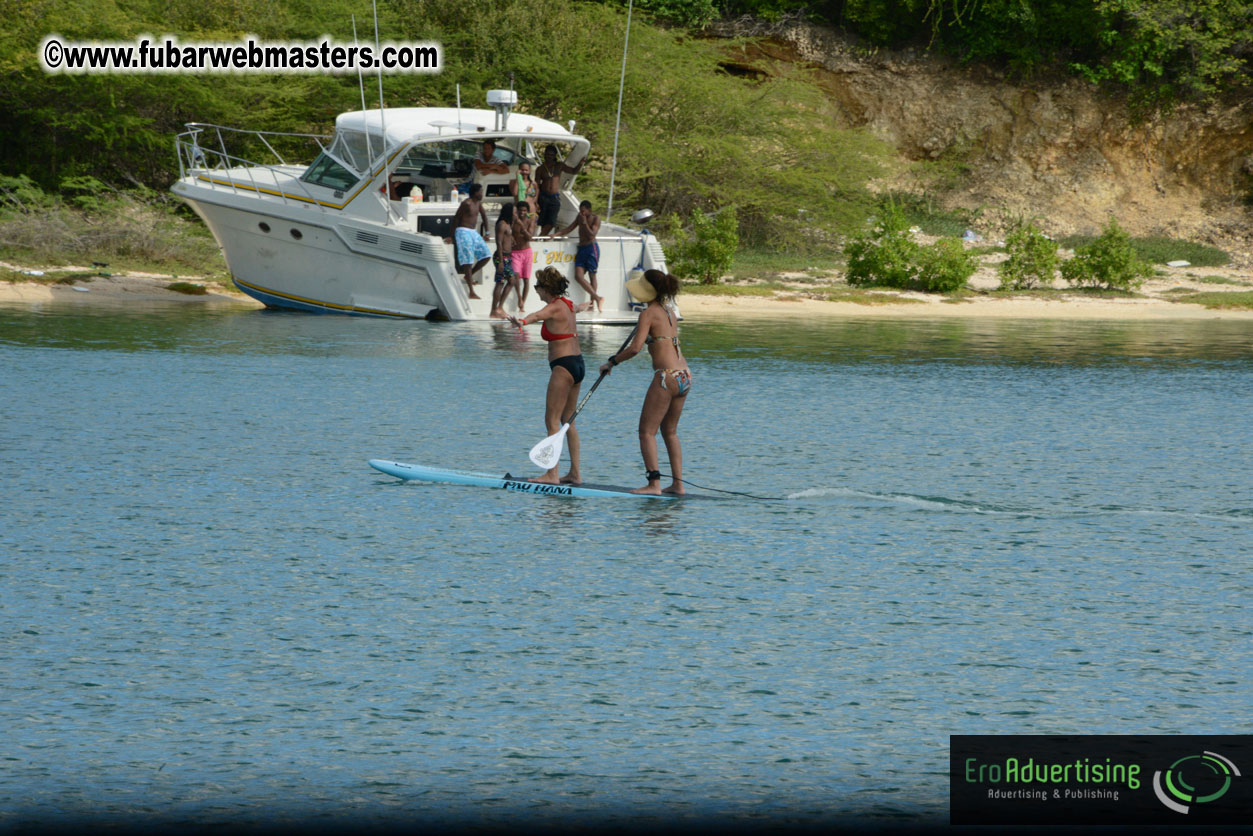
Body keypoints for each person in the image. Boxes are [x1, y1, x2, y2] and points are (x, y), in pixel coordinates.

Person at [599, 270, 689, 495]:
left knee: (646, 432)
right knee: (670, 432)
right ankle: (678, 484)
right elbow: (662, 340)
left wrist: (612, 361)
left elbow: (635, 349)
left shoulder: (648, 314)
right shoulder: (670, 311)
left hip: (666, 376)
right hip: (685, 376)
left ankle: (654, 484)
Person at [508, 267, 593, 485]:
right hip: (578, 365)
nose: (536, 290)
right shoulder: (568, 305)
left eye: (537, 287)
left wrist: (522, 322)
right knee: (568, 422)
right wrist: (584, 306)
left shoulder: (554, 307)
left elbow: (537, 316)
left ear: (546, 288)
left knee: (552, 420)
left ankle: (551, 474)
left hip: (563, 366)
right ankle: (575, 473)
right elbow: (577, 308)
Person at [557, 200, 603, 312]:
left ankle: (592, 303)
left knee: (592, 276)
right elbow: (569, 228)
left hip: (591, 248)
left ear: (589, 210)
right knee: (578, 276)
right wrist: (555, 234)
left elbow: (592, 235)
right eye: (580, 211)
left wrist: (584, 223)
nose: (581, 213)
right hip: (581, 249)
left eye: (583, 211)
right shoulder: (580, 217)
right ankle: (597, 298)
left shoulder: (596, 219)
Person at [451, 183, 491, 298]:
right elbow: (456, 218)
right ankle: (471, 291)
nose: (482, 194)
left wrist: (487, 232)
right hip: (462, 231)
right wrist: (452, 236)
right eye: (481, 192)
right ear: (475, 193)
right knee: (468, 260)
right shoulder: (466, 203)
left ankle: (469, 275)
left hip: (473, 232)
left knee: (486, 255)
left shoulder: (478, 203)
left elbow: (484, 217)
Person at [536, 145, 585, 236]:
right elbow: (537, 186)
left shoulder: (559, 166)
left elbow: (574, 171)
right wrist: (536, 201)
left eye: (551, 154)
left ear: (555, 156)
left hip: (554, 197)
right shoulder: (540, 169)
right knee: (543, 221)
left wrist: (581, 163)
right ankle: (541, 239)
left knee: (551, 222)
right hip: (543, 197)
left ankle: (540, 237)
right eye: (547, 154)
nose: (549, 156)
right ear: (544, 155)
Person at [489, 202, 518, 319]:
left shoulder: (508, 224)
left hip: (507, 257)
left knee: (510, 281)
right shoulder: (501, 224)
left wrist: (512, 238)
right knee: (502, 282)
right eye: (514, 212)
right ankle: (494, 309)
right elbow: (499, 243)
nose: (516, 214)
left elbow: (507, 237)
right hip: (501, 258)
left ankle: (498, 308)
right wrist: (500, 261)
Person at [510, 201, 537, 311]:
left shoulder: (530, 221)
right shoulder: (512, 221)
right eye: (520, 210)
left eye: (524, 211)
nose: (522, 213)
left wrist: (522, 226)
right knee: (516, 275)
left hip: (526, 252)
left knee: (526, 279)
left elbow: (529, 237)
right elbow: (509, 232)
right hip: (515, 252)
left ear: (527, 212)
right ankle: (519, 298)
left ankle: (522, 303)